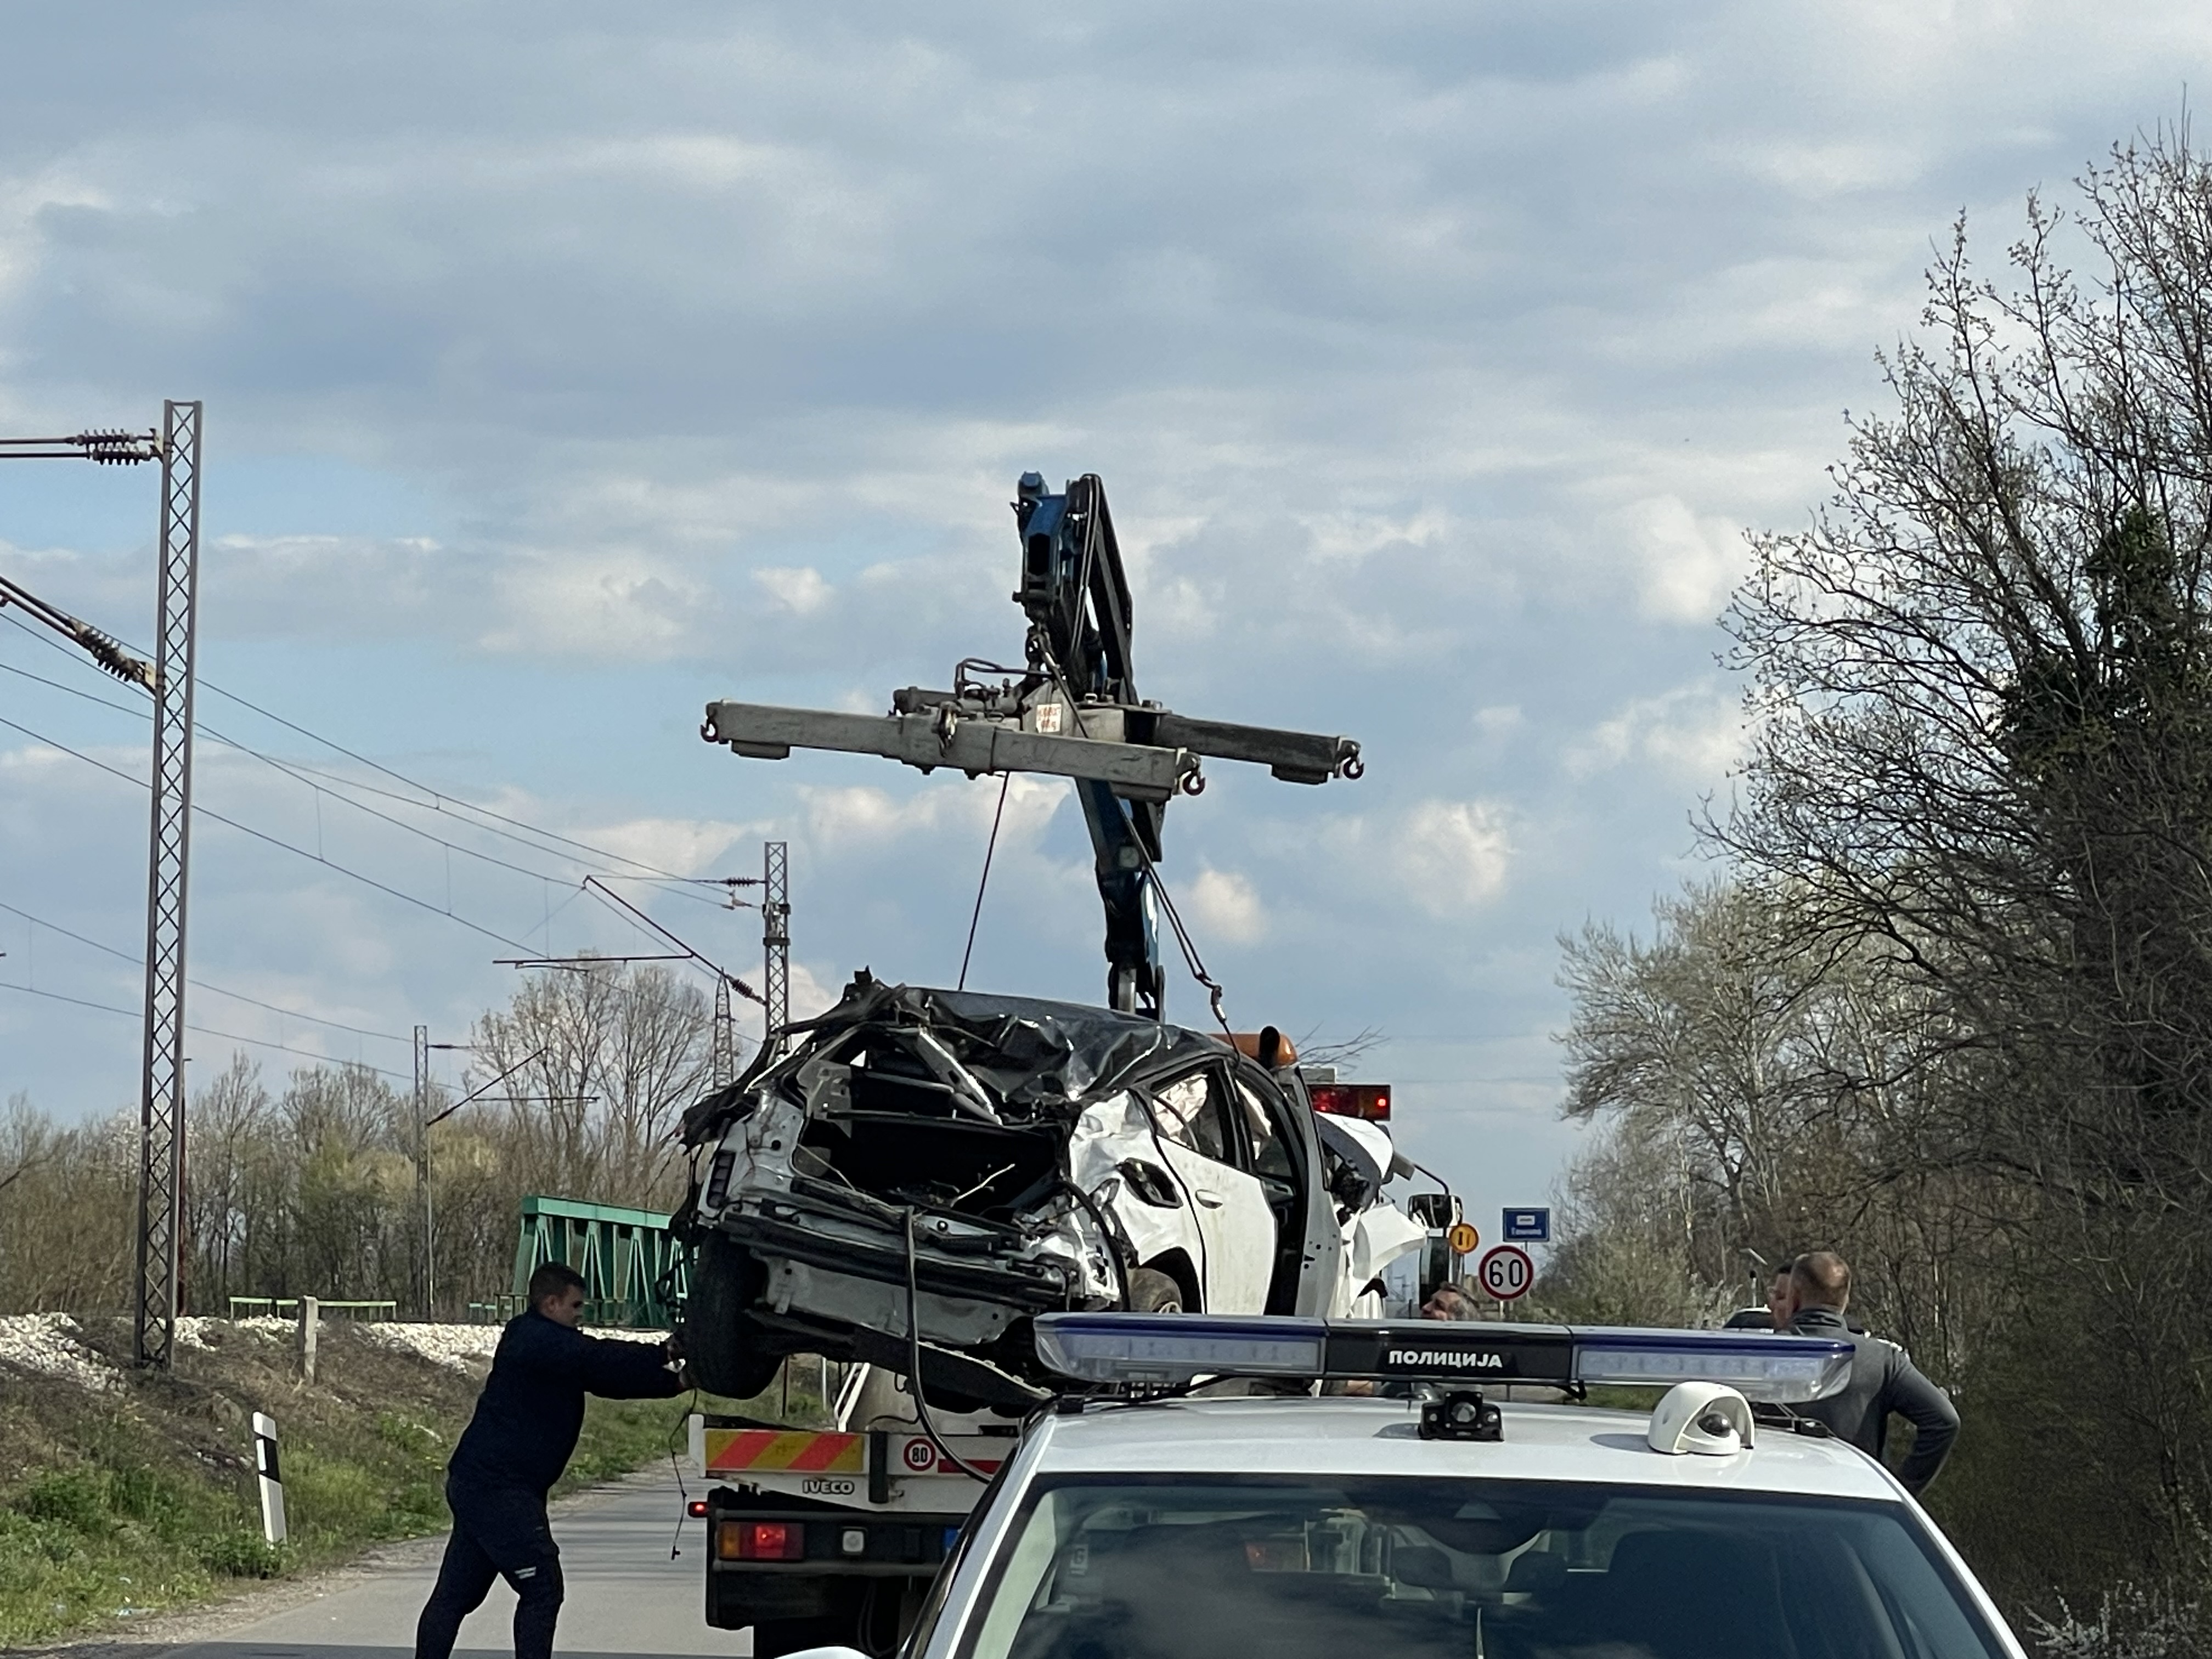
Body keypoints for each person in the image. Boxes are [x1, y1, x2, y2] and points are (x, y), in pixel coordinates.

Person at [415, 1263, 690, 1659]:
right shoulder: (533, 1338)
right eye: (576, 1306)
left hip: (487, 1485)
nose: (581, 1314)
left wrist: (677, 1383)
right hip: (498, 1488)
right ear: (551, 1303)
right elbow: (596, 1359)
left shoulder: (553, 1348)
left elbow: (607, 1378)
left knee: (455, 1596)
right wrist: (666, 1351)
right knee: (542, 1588)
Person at [1781, 1250, 1959, 1496]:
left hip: (1774, 1505)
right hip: (1855, 1507)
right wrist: (1899, 1492)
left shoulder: (1755, 1357)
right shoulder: (1881, 1359)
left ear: (1795, 1297)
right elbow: (1944, 1420)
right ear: (1844, 1301)